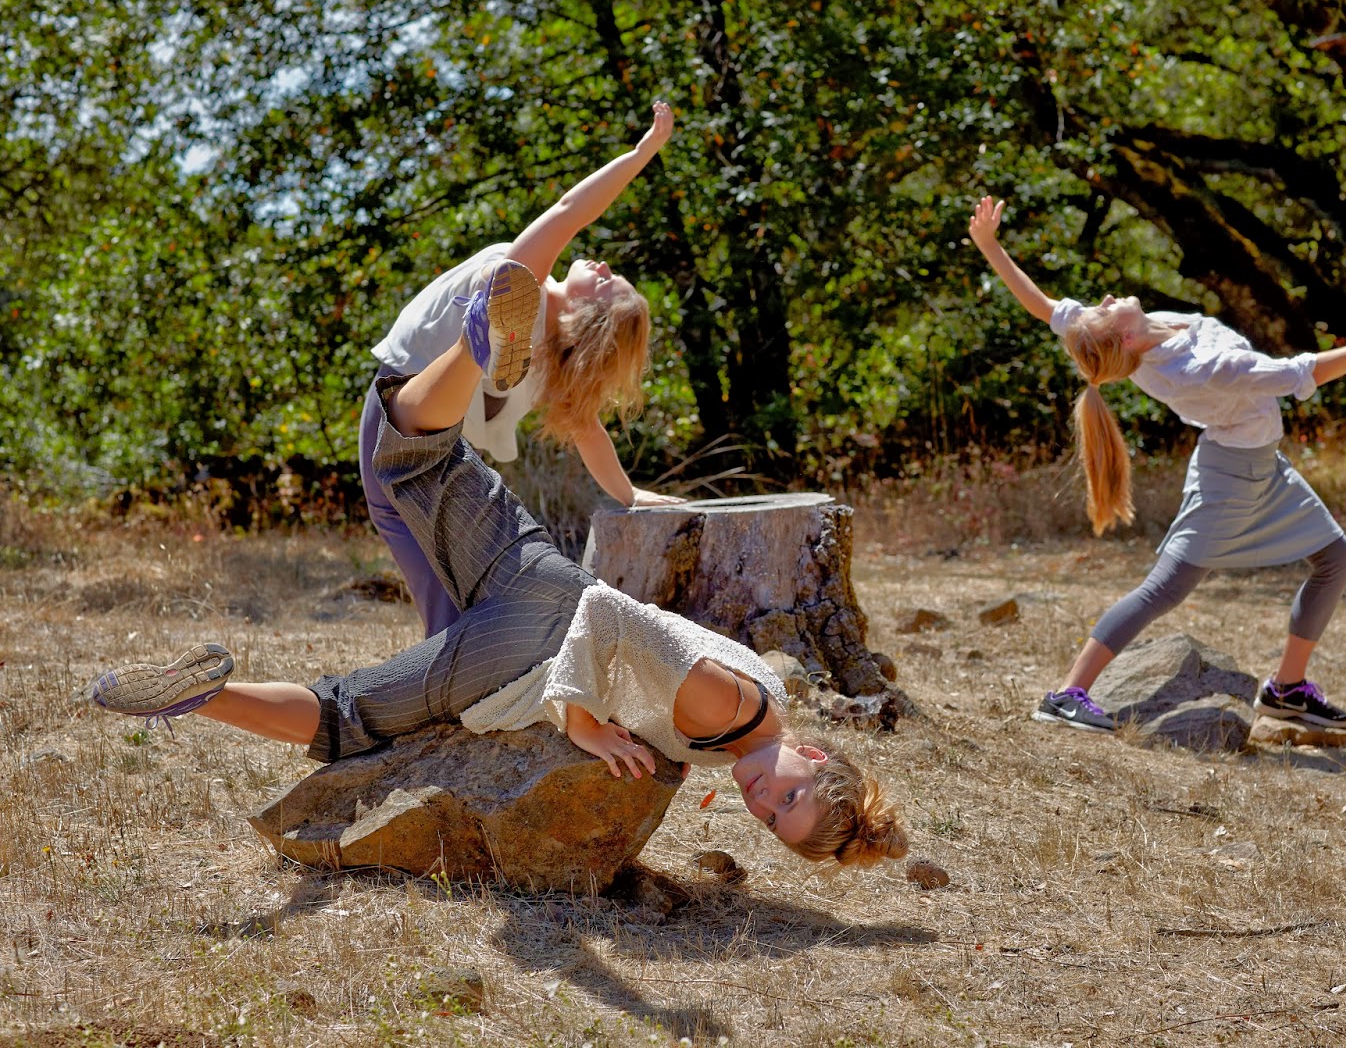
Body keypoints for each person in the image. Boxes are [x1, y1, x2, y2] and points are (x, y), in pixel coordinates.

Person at [83, 326, 909, 869]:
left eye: (770, 818)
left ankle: (483, 334)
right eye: (790, 794)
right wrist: (581, 717)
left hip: (540, 577)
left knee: (419, 456)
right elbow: (610, 617)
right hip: (533, 646)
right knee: (348, 718)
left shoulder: (751, 726)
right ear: (820, 758)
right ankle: (199, 697)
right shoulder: (727, 709)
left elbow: (636, 638)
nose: (763, 799)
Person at [969, 195, 1346, 734]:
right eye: (1104, 308)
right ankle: (1066, 694)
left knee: (1337, 559)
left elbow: (1042, 305)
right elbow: (1302, 372)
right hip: (1229, 476)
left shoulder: (1121, 335)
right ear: (1123, 336)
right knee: (1165, 589)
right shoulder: (1203, 369)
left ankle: (1287, 690)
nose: (1102, 297)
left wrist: (989, 244)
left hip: (1264, 463)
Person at [364, 100, 686, 638]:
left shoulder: (530, 290)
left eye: (607, 284)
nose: (604, 265)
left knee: (432, 572)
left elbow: (568, 210)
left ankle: (459, 676)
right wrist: (628, 494)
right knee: (447, 578)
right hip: (429, 434)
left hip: (406, 416)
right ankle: (466, 667)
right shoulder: (541, 340)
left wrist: (641, 152)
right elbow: (588, 428)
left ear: (586, 317)